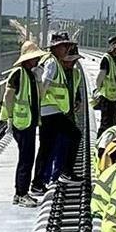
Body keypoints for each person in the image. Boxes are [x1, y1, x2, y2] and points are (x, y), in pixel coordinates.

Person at [34, 34, 87, 191]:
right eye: (64, 46)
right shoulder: (51, 63)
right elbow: (44, 84)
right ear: (56, 48)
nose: (66, 49)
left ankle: (38, 183)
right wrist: (41, 101)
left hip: (51, 111)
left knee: (46, 148)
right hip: (50, 111)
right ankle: (65, 172)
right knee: (74, 135)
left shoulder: (54, 62)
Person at [0, 40, 44, 204]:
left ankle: (20, 193)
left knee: (27, 157)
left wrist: (39, 80)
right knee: (26, 158)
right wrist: (9, 118)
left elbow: (42, 95)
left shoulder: (31, 74)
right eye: (34, 58)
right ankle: (21, 193)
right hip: (21, 122)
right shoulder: (17, 74)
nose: (36, 61)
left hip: (30, 121)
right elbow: (8, 97)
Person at [94, 37, 116, 134]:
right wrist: (98, 91)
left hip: (115, 97)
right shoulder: (106, 59)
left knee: (114, 123)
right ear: (113, 47)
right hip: (107, 97)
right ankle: (100, 145)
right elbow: (100, 78)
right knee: (106, 123)